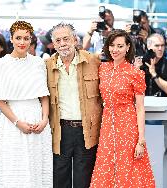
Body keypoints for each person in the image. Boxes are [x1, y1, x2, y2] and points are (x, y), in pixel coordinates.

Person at [0, 20, 52, 187]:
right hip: (12, 123)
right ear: (11, 39)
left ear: (31, 40)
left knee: (37, 168)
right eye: (18, 38)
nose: (22, 42)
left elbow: (44, 95)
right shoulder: (1, 64)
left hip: (38, 121)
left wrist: (44, 120)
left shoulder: (38, 63)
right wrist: (17, 122)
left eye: (26, 38)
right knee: (13, 169)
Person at [90, 29, 155, 187]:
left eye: (120, 46)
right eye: (112, 45)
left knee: (128, 169)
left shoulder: (135, 73)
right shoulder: (103, 68)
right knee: (106, 166)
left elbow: (140, 108)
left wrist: (141, 140)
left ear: (127, 48)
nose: (115, 49)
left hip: (128, 126)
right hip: (107, 126)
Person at [45, 22, 102, 188]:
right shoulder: (46, 66)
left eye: (66, 39)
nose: (62, 44)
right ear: (53, 44)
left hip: (87, 130)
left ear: (75, 40)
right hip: (60, 130)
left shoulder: (93, 61)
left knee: (83, 180)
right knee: (59, 178)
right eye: (58, 41)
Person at [134, 33, 167, 97]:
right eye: (157, 46)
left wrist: (154, 74)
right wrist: (135, 71)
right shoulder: (139, 62)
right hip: (141, 103)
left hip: (161, 104)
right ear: (148, 47)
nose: (160, 48)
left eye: (162, 45)